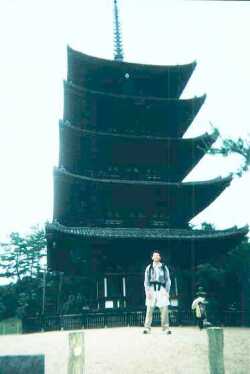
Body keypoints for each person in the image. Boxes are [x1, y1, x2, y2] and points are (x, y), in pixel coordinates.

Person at [143, 251, 171, 334]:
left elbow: (168, 280)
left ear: (160, 257)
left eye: (158, 255)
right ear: (152, 257)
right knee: (149, 309)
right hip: (151, 288)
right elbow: (146, 281)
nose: (156, 257)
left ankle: (165, 328)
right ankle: (147, 328)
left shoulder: (164, 267)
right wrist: (147, 292)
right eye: (154, 256)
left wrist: (167, 291)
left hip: (161, 289)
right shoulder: (149, 267)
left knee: (164, 309)